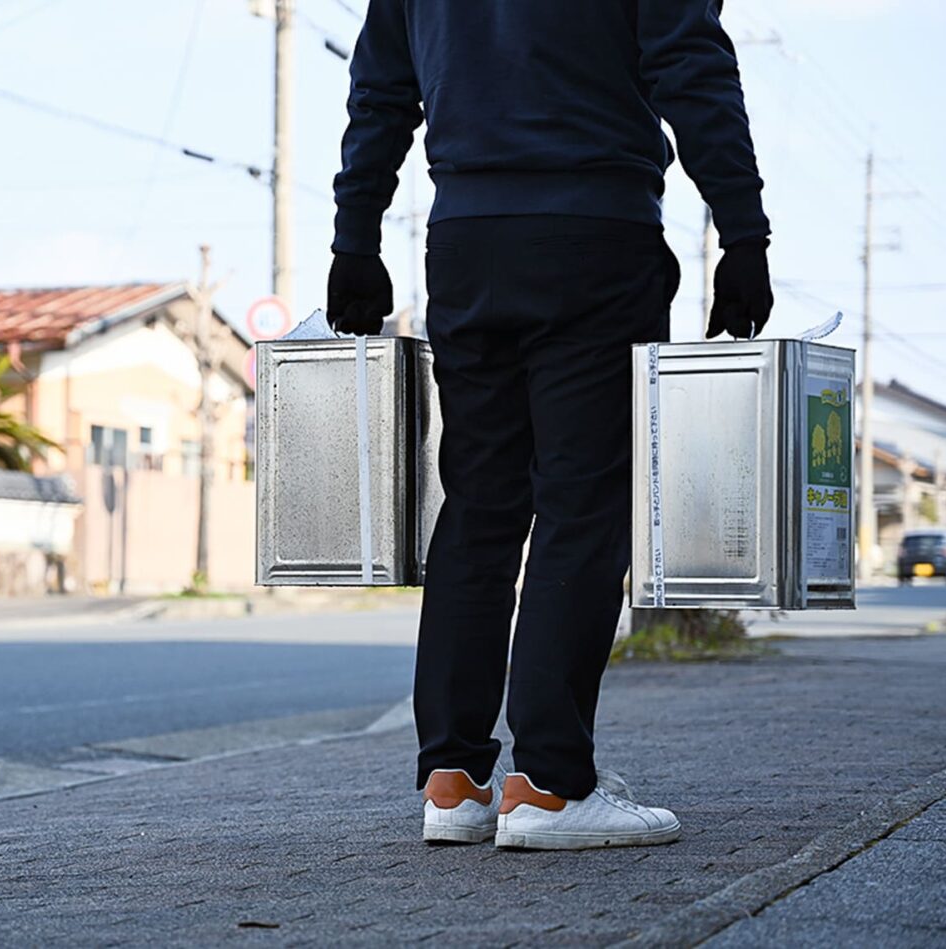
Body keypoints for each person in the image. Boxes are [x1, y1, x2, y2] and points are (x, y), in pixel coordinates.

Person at [327, 1, 774, 851]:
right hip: (595, 234)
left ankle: (454, 780)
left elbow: (381, 90)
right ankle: (551, 785)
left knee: (481, 505)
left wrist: (355, 238)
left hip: (464, 240)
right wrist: (743, 232)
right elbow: (693, 66)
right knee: (582, 503)